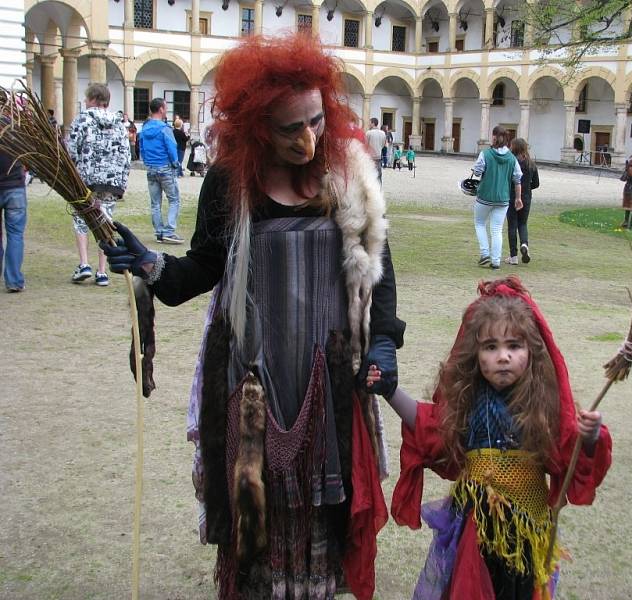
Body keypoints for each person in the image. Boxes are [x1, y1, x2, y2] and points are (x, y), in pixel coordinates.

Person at [101, 33, 405, 599]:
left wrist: (384, 340)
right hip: (252, 377)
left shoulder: (351, 174)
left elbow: (377, 266)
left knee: (325, 504)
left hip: (329, 377)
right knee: (254, 504)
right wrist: (149, 264)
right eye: (291, 127)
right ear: (257, 126)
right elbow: (203, 269)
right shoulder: (229, 182)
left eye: (317, 119)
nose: (309, 138)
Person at [382, 276, 612, 600]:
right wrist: (389, 390)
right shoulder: (465, 402)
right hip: (476, 536)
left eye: (514, 346)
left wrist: (590, 438)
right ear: (475, 354)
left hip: (527, 534)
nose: (502, 356)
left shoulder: (542, 407)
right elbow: (428, 424)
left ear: (531, 352)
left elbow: (569, 457)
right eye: (491, 347)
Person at [65, 83, 131, 287]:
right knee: (105, 221)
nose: (85, 102)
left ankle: (84, 263)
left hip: (86, 181)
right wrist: (122, 181)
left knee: (80, 219)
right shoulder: (120, 123)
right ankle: (102, 271)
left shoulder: (82, 119)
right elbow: (126, 154)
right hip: (111, 183)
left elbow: (71, 150)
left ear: (93, 98)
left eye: (86, 98)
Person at [472, 125, 522, 270]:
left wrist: (478, 170)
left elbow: (477, 171)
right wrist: (518, 198)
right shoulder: (512, 158)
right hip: (503, 198)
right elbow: (517, 179)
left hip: (485, 196)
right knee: (497, 229)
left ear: (493, 137)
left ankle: (484, 253)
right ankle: (495, 261)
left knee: (480, 223)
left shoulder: (485, 154)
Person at [140, 97, 183, 244]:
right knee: (174, 200)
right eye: (165, 107)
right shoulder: (165, 129)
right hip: (165, 167)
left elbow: (142, 149)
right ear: (161, 109)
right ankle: (169, 231)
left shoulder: (144, 129)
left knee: (155, 203)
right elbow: (172, 148)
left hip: (151, 168)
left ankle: (159, 232)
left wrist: (147, 162)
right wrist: (176, 164)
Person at [505, 138, 538, 265]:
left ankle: (513, 256)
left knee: (512, 225)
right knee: (523, 224)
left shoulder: (511, 162)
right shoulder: (531, 164)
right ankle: (524, 245)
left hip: (512, 197)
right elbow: (536, 183)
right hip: (526, 198)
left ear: (514, 148)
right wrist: (527, 189)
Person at [0, 149, 27, 292]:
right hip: (15, 186)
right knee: (15, 235)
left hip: (14, 186)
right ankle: (14, 281)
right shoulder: (15, 127)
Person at [365, 117, 386, 184]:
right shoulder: (383, 133)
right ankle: (378, 190)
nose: (369, 124)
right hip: (379, 156)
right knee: (378, 175)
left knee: (369, 174)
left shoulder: (369, 133)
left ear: (373, 123)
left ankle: (370, 191)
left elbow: (365, 144)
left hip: (370, 157)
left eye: (370, 123)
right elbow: (383, 144)